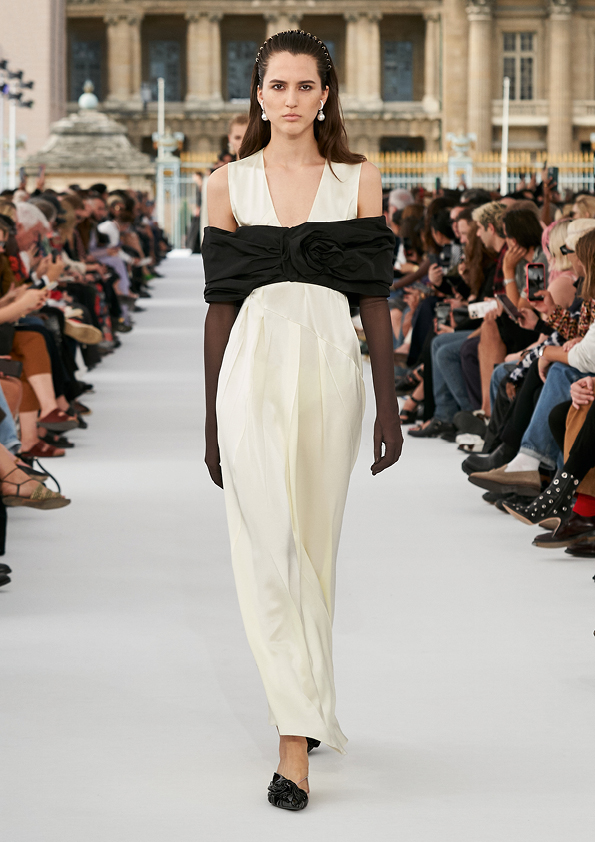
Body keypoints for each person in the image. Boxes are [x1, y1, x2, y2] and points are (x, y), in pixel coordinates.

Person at [202, 29, 402, 811]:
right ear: (258, 94)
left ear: (325, 96)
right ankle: (294, 739)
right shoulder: (226, 184)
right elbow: (220, 308)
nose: (290, 99)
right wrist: (210, 419)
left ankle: (306, 698)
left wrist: (388, 403)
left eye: (304, 86)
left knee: (314, 551)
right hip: (249, 371)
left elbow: (374, 300)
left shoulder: (359, 179)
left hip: (329, 370)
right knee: (266, 548)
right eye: (277, 85)